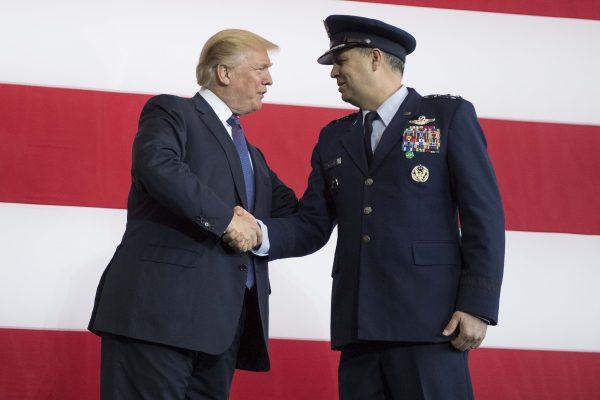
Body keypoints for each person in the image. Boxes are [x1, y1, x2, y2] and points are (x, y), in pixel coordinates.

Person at [227, 15, 505, 399]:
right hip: (359, 326)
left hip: (430, 324)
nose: (333, 74)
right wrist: (261, 233)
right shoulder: (334, 137)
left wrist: (477, 304)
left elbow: (483, 217)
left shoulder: (446, 118)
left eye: (341, 62)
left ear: (375, 58)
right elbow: (312, 224)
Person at [88, 29, 298, 399]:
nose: (269, 80)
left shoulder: (255, 158)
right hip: (156, 320)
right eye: (261, 68)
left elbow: (296, 218)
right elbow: (159, 166)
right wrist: (227, 221)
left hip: (219, 332)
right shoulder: (172, 111)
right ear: (224, 73)